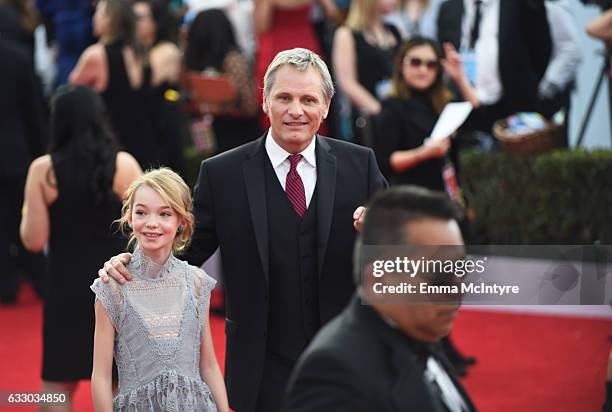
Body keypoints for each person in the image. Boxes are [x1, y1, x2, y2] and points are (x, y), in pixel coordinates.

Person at [99, 48, 387, 412]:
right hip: (261, 363)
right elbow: (184, 252)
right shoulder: (223, 174)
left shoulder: (360, 165)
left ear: (326, 106)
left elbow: (397, 257)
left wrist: (380, 237)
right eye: (284, 97)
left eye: (308, 99)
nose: (295, 110)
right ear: (265, 101)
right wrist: (131, 265)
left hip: (346, 358)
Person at [284, 186, 476, 412]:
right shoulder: (335, 374)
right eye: (439, 275)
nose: (457, 290)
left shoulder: (421, 335)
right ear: (380, 279)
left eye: (461, 270)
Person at [19, 85, 142, 412]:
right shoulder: (124, 165)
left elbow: (33, 239)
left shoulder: (43, 170)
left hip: (65, 285)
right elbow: (145, 230)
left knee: (57, 383)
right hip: (118, 283)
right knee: (121, 381)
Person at [90, 168, 229, 411]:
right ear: (130, 218)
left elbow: (208, 365)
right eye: (142, 212)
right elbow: (101, 377)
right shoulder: (111, 287)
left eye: (165, 214)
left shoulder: (197, 282)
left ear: (181, 222)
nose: (152, 223)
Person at [374, 37, 478, 189]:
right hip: (411, 194)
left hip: (447, 191)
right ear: (401, 65)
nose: (423, 70)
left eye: (431, 64)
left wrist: (460, 78)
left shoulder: (444, 103)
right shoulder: (392, 107)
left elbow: (477, 116)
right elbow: (387, 160)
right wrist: (424, 152)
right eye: (416, 62)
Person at [437, 0, 552, 133]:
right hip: (464, 106)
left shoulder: (521, 4)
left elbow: (541, 51)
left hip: (512, 105)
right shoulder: (449, 8)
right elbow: (445, 52)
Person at [69, 0, 159, 170]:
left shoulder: (96, 55)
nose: (94, 18)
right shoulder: (142, 53)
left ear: (111, 18)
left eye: (99, 12)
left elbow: (69, 97)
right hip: (146, 145)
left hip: (112, 152)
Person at [0, 24, 46, 304]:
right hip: (15, 154)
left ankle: (7, 281)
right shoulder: (18, 56)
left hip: (15, 153)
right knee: (23, 216)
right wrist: (41, 153)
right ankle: (36, 279)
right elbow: (34, 112)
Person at [184, 8, 261, 153]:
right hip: (240, 134)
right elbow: (250, 104)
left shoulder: (195, 64)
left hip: (220, 131)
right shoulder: (234, 59)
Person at [332, 0, 401, 145]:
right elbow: (347, 83)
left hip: (397, 111)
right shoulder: (346, 34)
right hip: (367, 119)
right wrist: (380, 111)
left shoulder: (394, 31)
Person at [133, 0, 187, 176]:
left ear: (155, 22)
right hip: (143, 124)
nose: (134, 23)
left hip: (163, 124)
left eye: (139, 18)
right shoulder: (137, 51)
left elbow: (141, 82)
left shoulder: (166, 50)